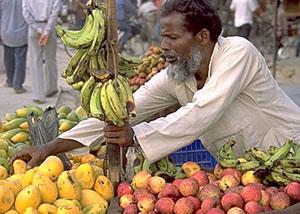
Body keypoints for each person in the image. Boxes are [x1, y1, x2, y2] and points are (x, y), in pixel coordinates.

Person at [11, 0, 300, 169]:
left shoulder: (238, 52)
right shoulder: (177, 76)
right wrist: (50, 146)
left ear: (202, 36)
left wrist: (136, 137)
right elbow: (125, 112)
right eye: (163, 37)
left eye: (172, 38)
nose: (163, 46)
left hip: (289, 156)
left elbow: (203, 110)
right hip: (245, 169)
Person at [22, 0, 61, 104]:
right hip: (50, 27)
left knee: (35, 61)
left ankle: (38, 95)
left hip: (34, 28)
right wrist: (46, 31)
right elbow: (55, 12)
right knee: (51, 59)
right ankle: (51, 89)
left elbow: (25, 13)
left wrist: (38, 29)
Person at [0, 0, 28, 93]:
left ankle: (10, 81)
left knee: (8, 58)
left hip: (6, 32)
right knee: (20, 59)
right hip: (22, 33)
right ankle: (18, 85)